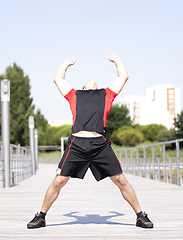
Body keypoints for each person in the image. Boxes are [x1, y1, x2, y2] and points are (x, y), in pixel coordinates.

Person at [27, 54, 153, 229]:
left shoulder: (106, 94)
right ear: (84, 88)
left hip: (99, 144)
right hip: (77, 144)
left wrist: (117, 61)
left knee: (121, 180)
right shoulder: (74, 95)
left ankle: (141, 216)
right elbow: (58, 79)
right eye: (88, 83)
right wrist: (64, 65)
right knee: (58, 181)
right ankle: (41, 216)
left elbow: (123, 76)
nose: (92, 81)